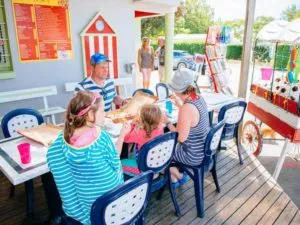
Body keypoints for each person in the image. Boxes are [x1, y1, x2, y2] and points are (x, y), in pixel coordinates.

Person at [47, 91, 130, 225]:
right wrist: (122, 136)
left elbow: (65, 186)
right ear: (90, 115)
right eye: (103, 110)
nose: (105, 113)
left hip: (84, 211)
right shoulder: (102, 139)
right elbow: (116, 163)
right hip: (112, 205)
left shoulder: (56, 148)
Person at [121, 104, 184, 187]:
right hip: (159, 162)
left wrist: (132, 125)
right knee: (142, 157)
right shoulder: (160, 127)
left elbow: (125, 138)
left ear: (141, 119)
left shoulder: (138, 132)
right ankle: (175, 178)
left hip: (144, 168)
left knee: (120, 163)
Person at [166, 68, 210, 182]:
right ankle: (176, 172)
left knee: (161, 153)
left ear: (179, 89)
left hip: (192, 155)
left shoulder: (187, 108)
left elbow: (180, 138)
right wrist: (180, 106)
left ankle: (180, 176)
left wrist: (167, 122)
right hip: (204, 150)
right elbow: (191, 118)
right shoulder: (198, 97)